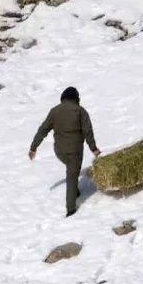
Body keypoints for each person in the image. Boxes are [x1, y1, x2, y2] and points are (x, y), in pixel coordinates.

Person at [30, 87, 101, 217]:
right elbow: (88, 132)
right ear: (76, 98)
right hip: (74, 151)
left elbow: (43, 129)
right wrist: (94, 149)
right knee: (72, 175)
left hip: (59, 151)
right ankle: (71, 210)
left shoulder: (55, 111)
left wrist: (33, 147)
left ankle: (75, 191)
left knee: (71, 171)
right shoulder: (80, 111)